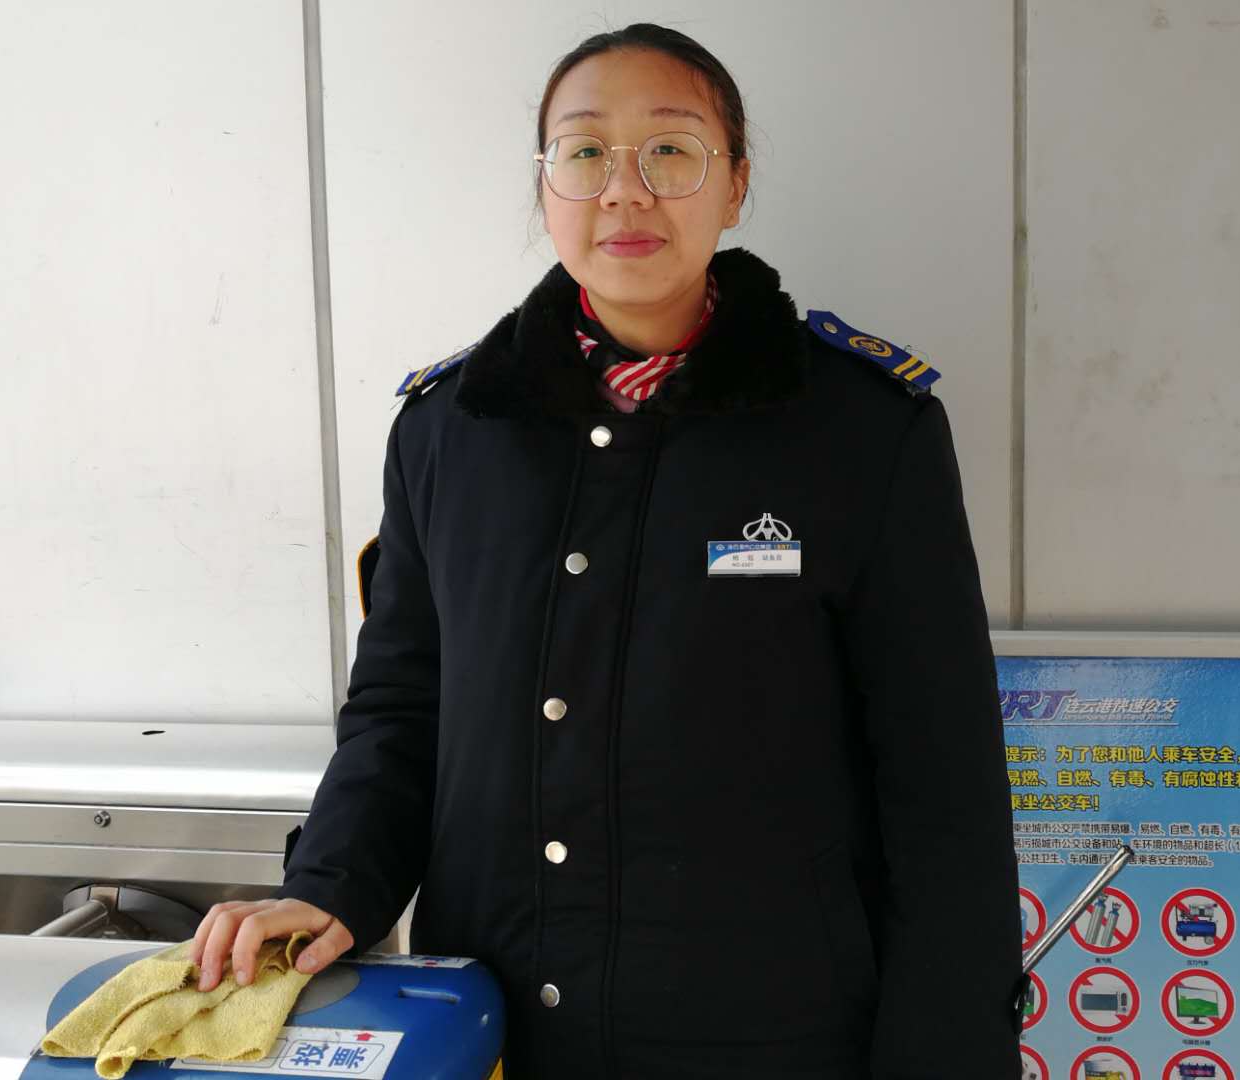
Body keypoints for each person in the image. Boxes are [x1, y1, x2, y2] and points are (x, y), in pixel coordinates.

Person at [192, 23, 1024, 1079]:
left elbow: (941, 785)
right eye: (583, 152)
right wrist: (328, 884)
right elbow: (402, 711)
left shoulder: (861, 431)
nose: (624, 190)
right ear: (544, 187)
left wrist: (947, 1051)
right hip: (498, 1024)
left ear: (735, 184)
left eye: (670, 151)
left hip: (772, 1039)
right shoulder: (450, 432)